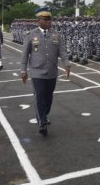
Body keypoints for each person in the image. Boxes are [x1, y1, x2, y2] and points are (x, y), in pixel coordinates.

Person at [20, 7, 71, 136]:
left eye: (50, 19)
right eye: (46, 19)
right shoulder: (31, 35)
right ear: (39, 20)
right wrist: (23, 70)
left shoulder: (56, 35)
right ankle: (42, 122)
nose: (49, 21)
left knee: (48, 98)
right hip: (37, 72)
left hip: (52, 72)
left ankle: (45, 114)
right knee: (39, 97)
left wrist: (67, 64)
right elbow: (25, 55)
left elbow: (63, 52)